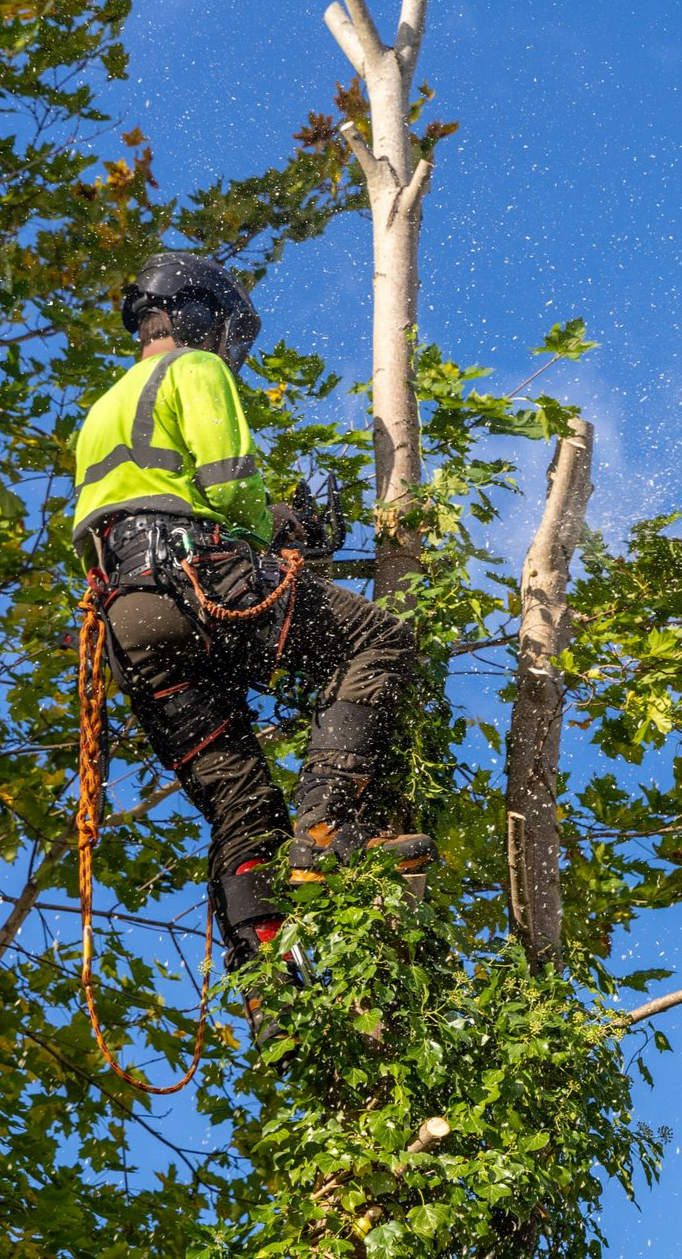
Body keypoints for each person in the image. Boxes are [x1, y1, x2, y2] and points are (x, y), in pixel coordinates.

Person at [72, 252, 436, 1046]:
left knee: (241, 802)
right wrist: (290, 526)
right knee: (378, 638)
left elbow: (136, 504)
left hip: (131, 621)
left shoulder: (101, 408)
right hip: (198, 578)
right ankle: (328, 825)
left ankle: (269, 991)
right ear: (200, 319)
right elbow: (229, 486)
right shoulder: (196, 372)